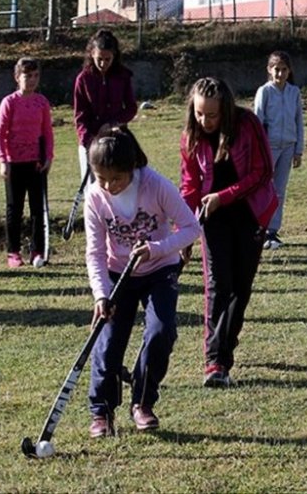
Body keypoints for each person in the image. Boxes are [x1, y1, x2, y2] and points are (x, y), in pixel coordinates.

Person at [83, 125, 200, 438]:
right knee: (107, 343)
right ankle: (101, 411)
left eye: (116, 179)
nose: (108, 185)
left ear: (132, 167)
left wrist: (156, 249)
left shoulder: (156, 185)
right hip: (115, 274)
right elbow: (94, 252)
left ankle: (143, 401)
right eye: (101, 177)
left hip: (159, 269)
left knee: (162, 332)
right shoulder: (95, 196)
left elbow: (191, 228)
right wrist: (100, 295)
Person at [179, 77, 278, 388]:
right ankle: (216, 362)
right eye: (199, 114)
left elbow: (263, 172)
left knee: (240, 288)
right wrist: (183, 231)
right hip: (213, 218)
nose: (205, 121)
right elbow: (190, 186)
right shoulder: (190, 137)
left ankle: (225, 345)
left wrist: (225, 196)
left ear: (226, 110)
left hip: (250, 212)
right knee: (217, 285)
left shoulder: (247, 124)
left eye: (212, 115)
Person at [0, 57, 54, 268]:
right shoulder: (9, 102)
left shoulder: (42, 102)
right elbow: (0, 133)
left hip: (36, 163)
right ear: (17, 77)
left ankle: (38, 250)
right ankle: (13, 251)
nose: (32, 80)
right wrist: (3, 161)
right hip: (14, 163)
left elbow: (47, 132)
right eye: (27, 76)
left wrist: (48, 157)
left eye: (35, 76)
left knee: (38, 209)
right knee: (14, 208)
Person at [254, 50, 304, 250]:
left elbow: (298, 120)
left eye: (284, 70)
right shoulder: (264, 92)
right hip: (269, 147)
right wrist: (258, 150)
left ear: (289, 71)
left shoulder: (294, 92)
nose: (280, 74)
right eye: (277, 69)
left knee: (279, 191)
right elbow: (257, 121)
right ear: (269, 70)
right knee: (264, 189)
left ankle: (272, 230)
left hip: (288, 146)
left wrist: (298, 149)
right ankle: (259, 228)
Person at [73, 29, 137, 180]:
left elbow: (131, 108)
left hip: (118, 140)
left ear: (114, 56)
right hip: (91, 143)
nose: (103, 64)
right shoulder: (83, 79)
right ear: (92, 55)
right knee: (93, 189)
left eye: (107, 59)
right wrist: (88, 142)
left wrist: (112, 124)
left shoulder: (123, 76)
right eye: (99, 59)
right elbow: (80, 116)